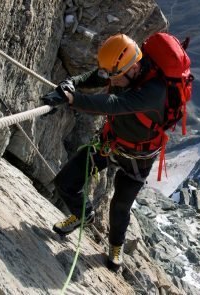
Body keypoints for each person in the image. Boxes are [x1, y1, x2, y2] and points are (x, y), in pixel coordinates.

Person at [41, 33, 167, 270]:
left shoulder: (154, 91)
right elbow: (97, 77)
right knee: (65, 182)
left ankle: (115, 247)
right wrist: (73, 83)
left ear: (133, 68)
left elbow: (113, 104)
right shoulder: (122, 71)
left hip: (138, 158)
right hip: (110, 143)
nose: (113, 81)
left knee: (120, 207)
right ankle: (82, 214)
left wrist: (71, 99)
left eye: (116, 77)